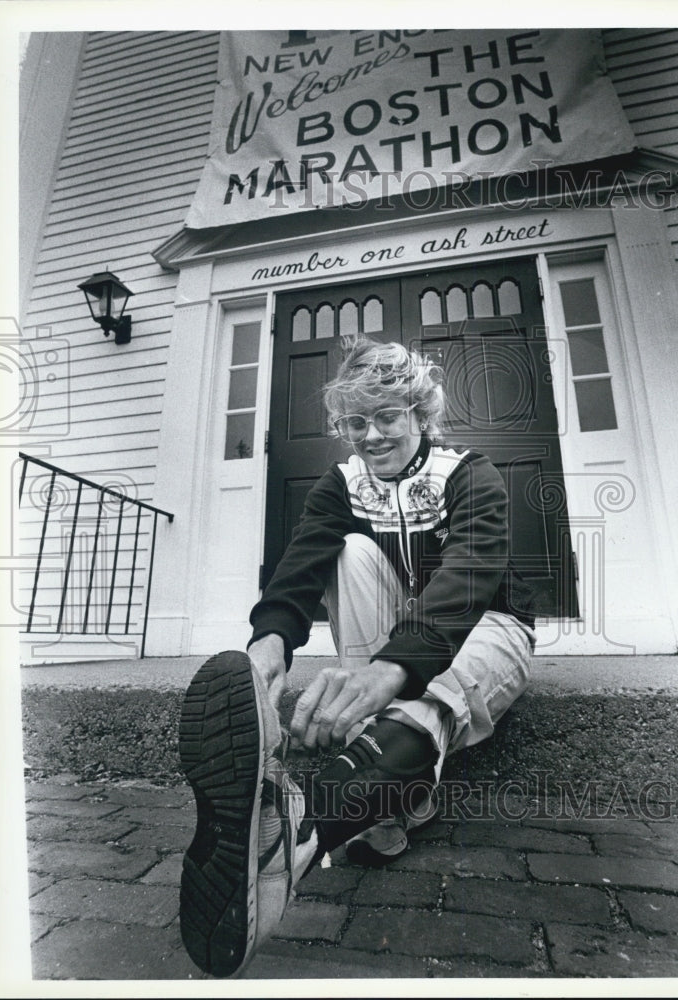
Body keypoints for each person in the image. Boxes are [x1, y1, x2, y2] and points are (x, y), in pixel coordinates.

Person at [178, 335, 536, 977]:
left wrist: (388, 673)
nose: (370, 435)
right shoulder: (341, 485)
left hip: (491, 623)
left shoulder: (467, 473)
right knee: (348, 550)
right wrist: (269, 647)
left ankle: (306, 826)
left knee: (435, 686)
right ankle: (392, 802)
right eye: (354, 422)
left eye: (387, 417)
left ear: (420, 414)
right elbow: (300, 567)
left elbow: (470, 578)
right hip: (396, 633)